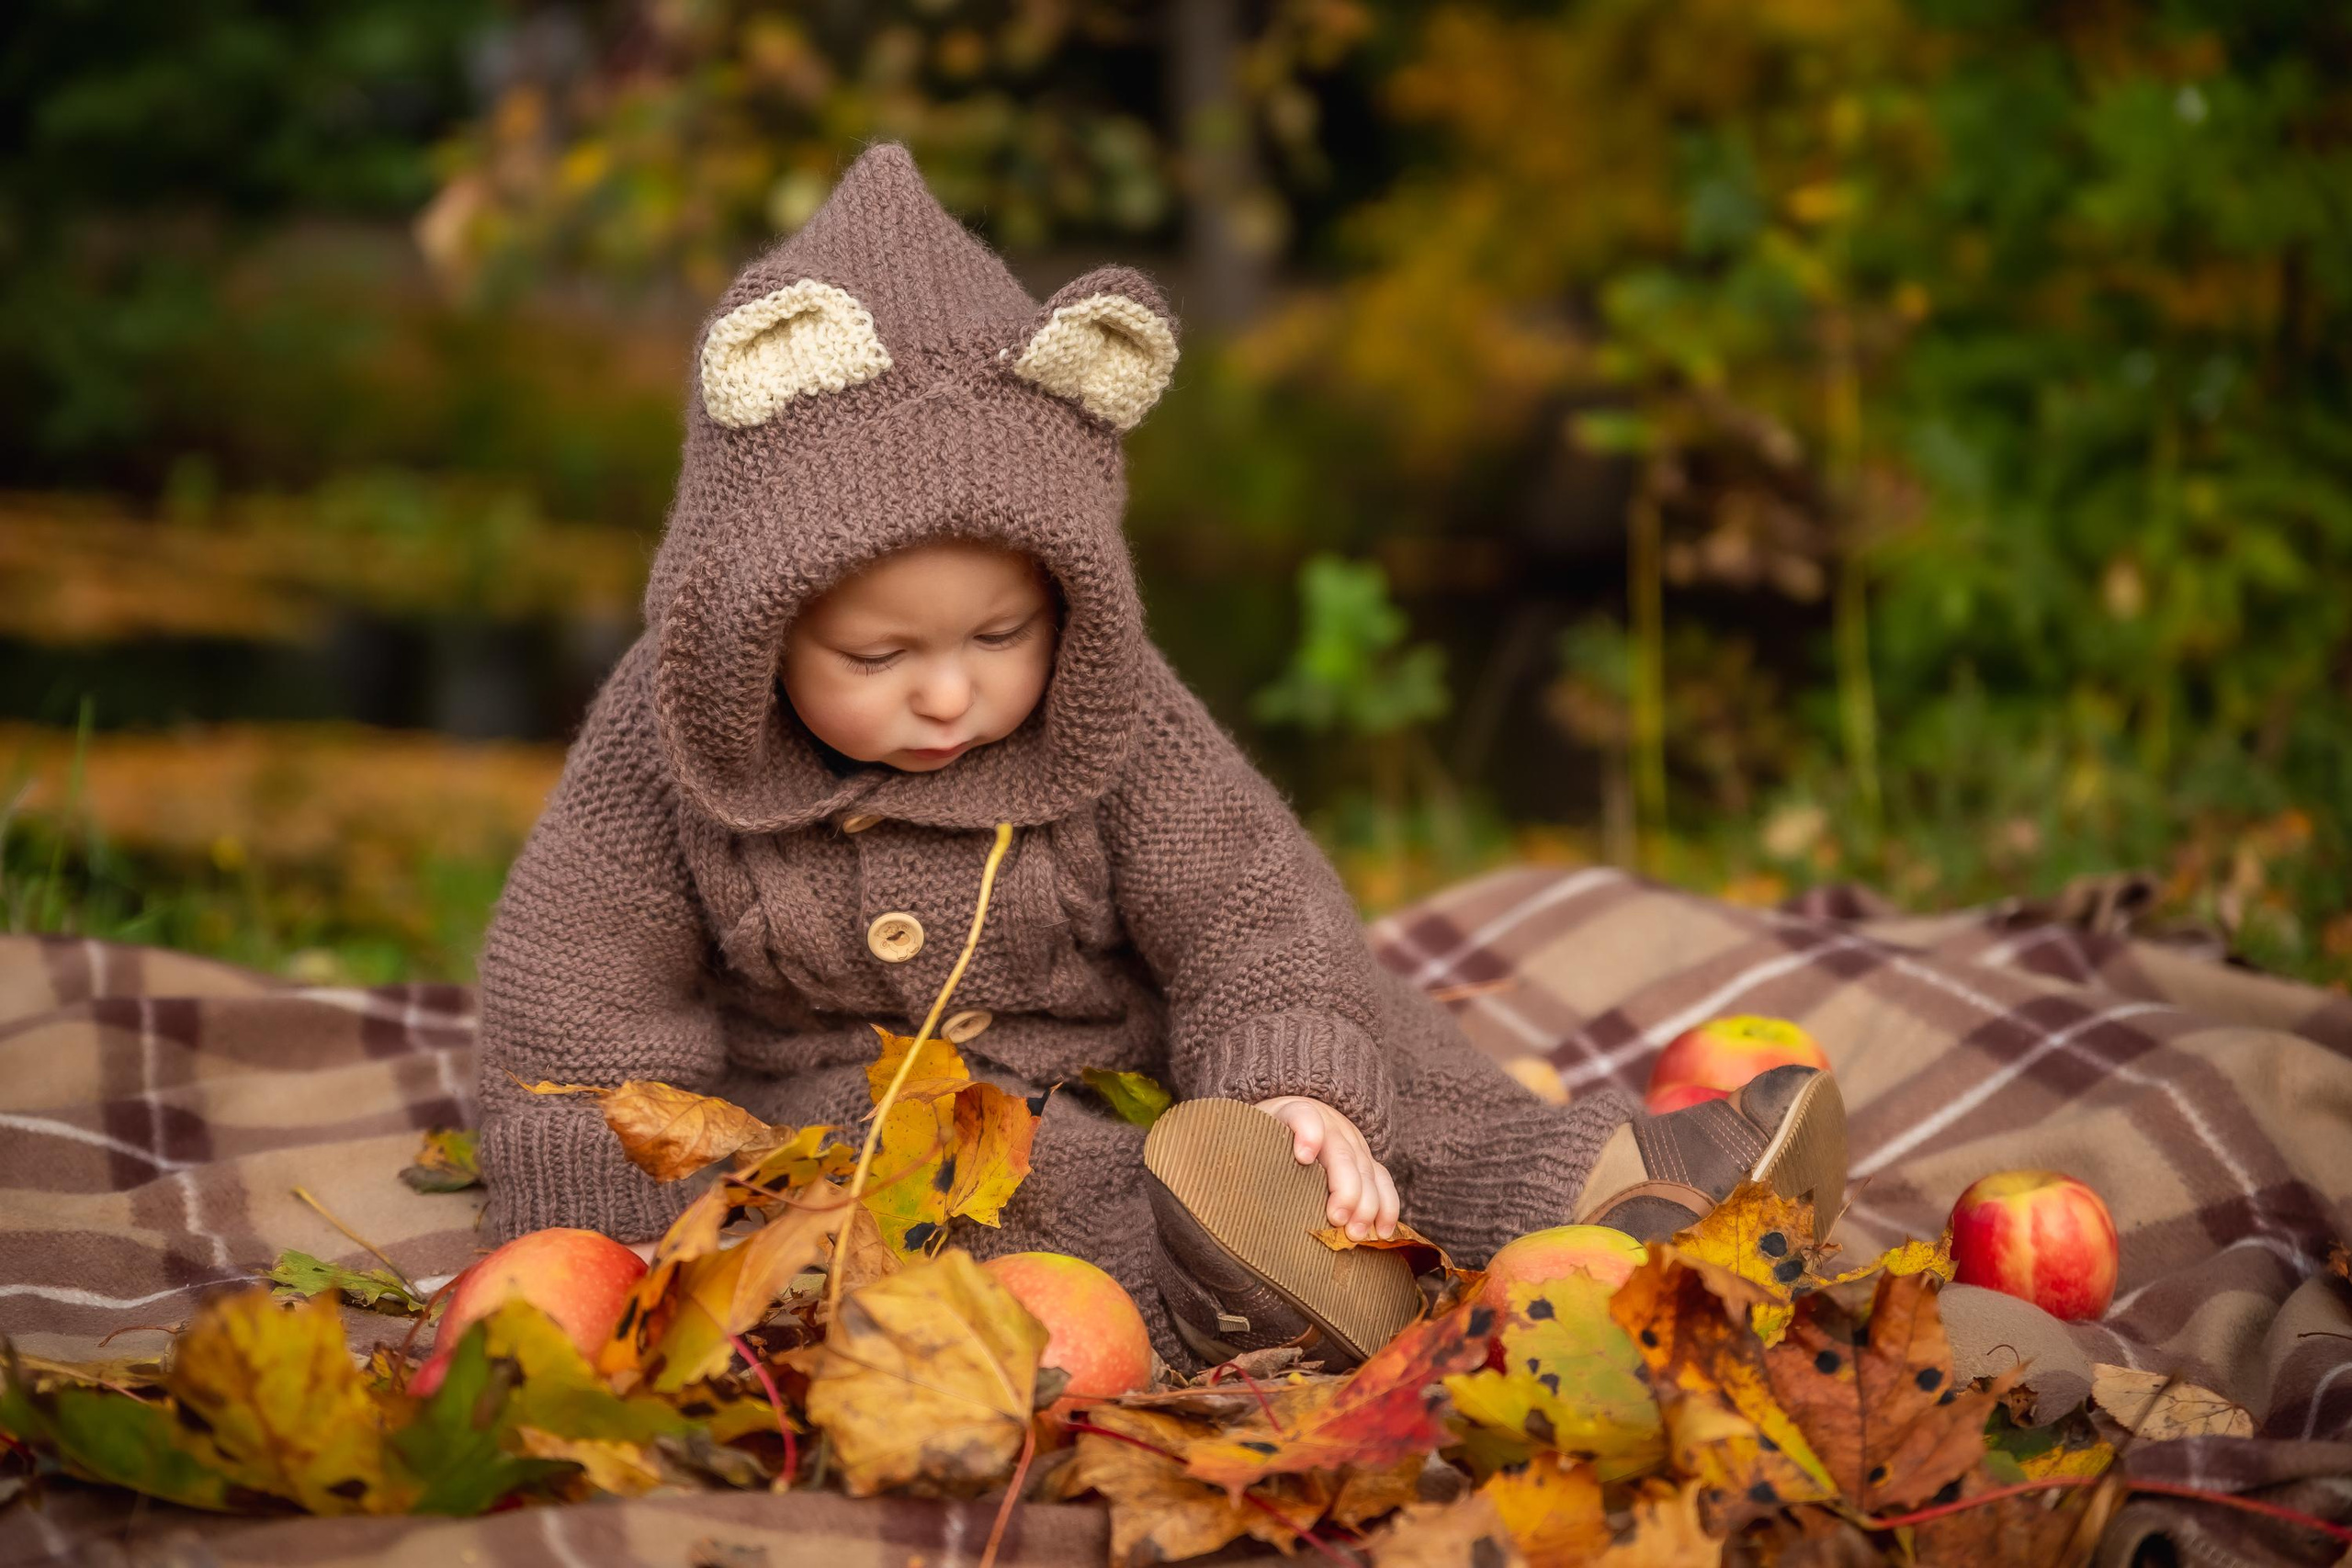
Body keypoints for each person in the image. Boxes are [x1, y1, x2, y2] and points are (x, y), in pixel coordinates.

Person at [473, 142, 1848, 1369]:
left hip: (1142, 1040)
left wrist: (1293, 1080)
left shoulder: (1115, 712)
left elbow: (1252, 902)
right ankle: (1239, 1289)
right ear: (751, 632)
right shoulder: (658, 753)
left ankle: (1611, 1180)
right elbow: (574, 1009)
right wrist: (615, 1239)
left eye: (1001, 634)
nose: (949, 695)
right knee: (1001, 1193)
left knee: (1378, 1053)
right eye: (879, 660)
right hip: (870, 1104)